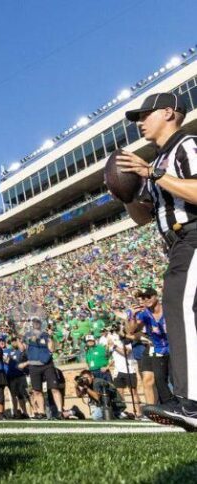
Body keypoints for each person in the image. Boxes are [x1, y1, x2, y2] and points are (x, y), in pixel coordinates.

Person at [117, 92, 197, 430]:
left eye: (144, 114)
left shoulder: (187, 145)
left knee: (177, 306)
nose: (139, 122)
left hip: (193, 234)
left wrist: (151, 172)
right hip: (177, 242)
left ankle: (191, 403)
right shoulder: (161, 159)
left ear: (169, 112)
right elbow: (143, 217)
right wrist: (125, 195)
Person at [126, 288, 174, 406]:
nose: (146, 299)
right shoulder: (145, 314)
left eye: (148, 296)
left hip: (175, 348)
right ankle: (169, 406)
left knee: (174, 379)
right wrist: (132, 316)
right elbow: (131, 330)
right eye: (143, 298)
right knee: (159, 379)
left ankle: (184, 405)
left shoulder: (168, 309)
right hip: (158, 350)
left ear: (156, 296)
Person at [20, 318, 62, 419]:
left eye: (37, 322)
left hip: (47, 364)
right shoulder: (27, 335)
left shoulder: (46, 334)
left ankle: (60, 411)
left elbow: (51, 349)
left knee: (54, 388)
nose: (36, 324)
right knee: (37, 391)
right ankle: (41, 413)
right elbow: (22, 349)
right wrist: (19, 338)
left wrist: (50, 336)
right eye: (34, 322)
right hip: (34, 365)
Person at [3, 337, 30, 419]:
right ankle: (17, 413)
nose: (14, 343)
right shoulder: (9, 351)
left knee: (26, 395)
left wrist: (19, 342)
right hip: (12, 376)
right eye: (12, 341)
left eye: (15, 341)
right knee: (15, 395)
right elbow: (6, 361)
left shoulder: (21, 350)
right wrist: (6, 359)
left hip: (21, 375)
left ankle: (35, 412)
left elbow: (24, 350)